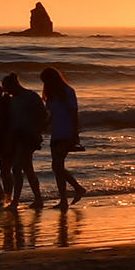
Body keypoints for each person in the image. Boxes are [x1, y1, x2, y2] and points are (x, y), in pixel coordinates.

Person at [0, 72, 48, 206]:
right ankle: (38, 199)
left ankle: (16, 201)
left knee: (16, 168)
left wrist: (37, 131)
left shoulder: (30, 96)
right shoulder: (12, 100)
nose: (6, 91)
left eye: (7, 87)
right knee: (27, 168)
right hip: (17, 137)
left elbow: (43, 114)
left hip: (29, 136)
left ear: (14, 84)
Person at [40, 66, 86, 206]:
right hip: (56, 133)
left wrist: (75, 132)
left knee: (57, 165)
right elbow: (53, 115)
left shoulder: (68, 92)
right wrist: (43, 126)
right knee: (57, 166)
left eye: (47, 81)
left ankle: (77, 189)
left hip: (66, 133)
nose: (45, 84)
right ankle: (65, 198)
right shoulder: (52, 95)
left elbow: (74, 113)